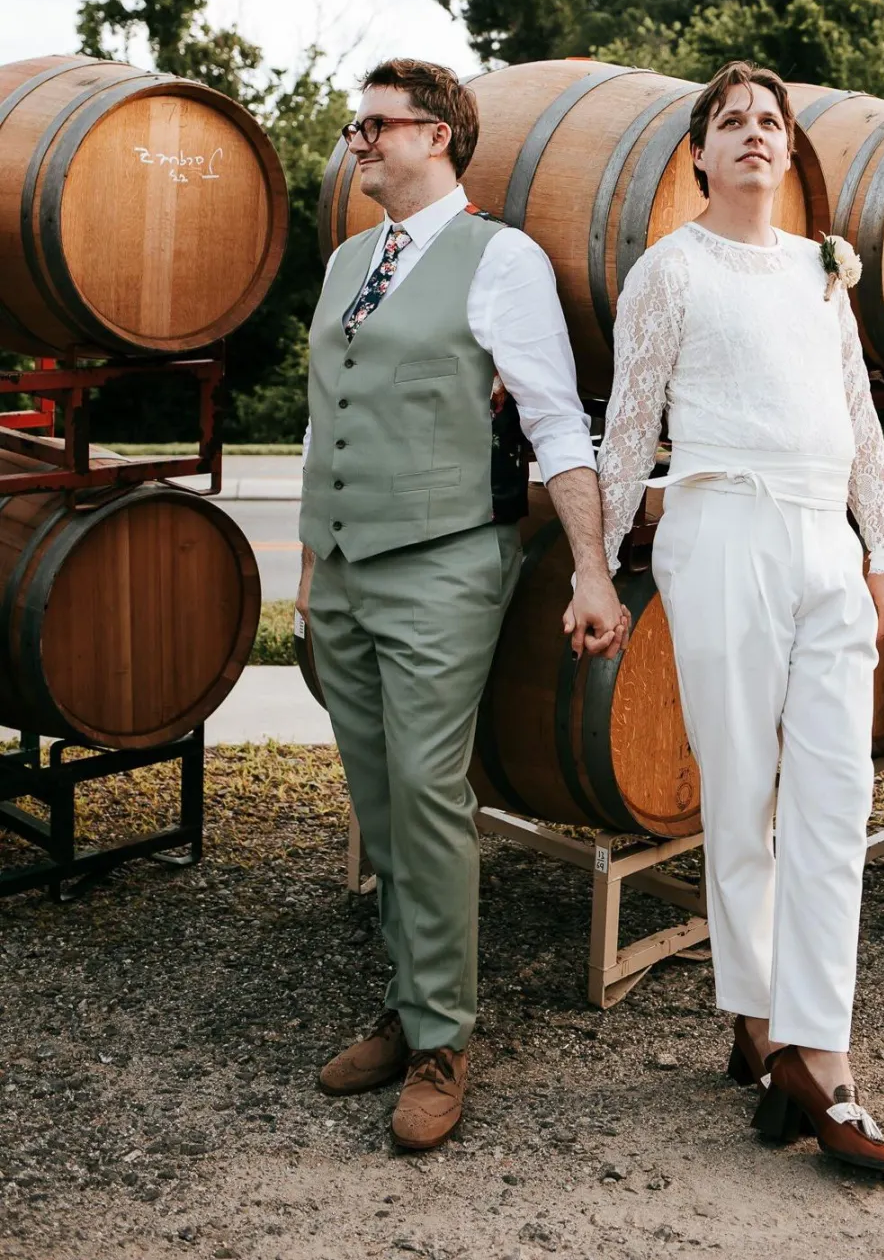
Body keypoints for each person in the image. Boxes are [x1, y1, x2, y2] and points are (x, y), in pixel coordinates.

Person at [298, 59, 627, 1152]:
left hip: (444, 558)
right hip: (345, 564)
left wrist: (590, 565)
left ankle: (443, 1040)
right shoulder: (350, 257)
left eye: (374, 124)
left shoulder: (503, 259)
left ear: (436, 137)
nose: (358, 140)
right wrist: (309, 573)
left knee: (430, 788)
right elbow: (321, 420)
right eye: (359, 124)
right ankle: (407, 999)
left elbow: (555, 418)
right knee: (376, 793)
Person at [595, 60, 884, 1176]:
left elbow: (860, 414)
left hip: (825, 537)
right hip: (720, 528)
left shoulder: (825, 272)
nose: (752, 135)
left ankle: (819, 1046)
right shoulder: (669, 271)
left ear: (788, 150)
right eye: (729, 121)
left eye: (769, 122)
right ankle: (768, 1029)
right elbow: (629, 430)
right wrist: (594, 564)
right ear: (699, 154)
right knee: (742, 795)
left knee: (835, 797)